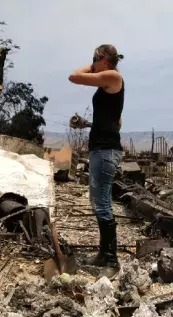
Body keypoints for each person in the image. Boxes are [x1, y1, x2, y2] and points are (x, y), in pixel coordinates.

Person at [68, 44, 124, 278]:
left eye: (94, 58)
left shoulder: (113, 75)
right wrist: (88, 125)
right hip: (101, 148)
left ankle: (111, 260)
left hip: (105, 151)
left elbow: (74, 76)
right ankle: (104, 254)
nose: (91, 61)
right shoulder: (109, 85)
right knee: (97, 201)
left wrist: (91, 65)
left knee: (102, 203)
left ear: (104, 60)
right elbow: (117, 122)